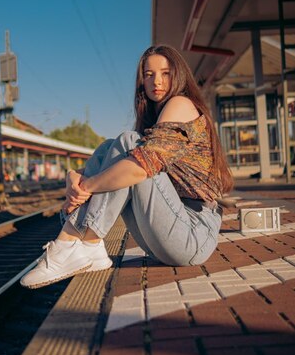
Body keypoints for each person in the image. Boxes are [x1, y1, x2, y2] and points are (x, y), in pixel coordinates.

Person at [20, 45, 233, 289]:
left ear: (179, 75)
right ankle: (81, 246)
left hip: (192, 235)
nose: (157, 81)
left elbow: (140, 169)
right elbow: (118, 166)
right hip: (165, 235)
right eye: (149, 74)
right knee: (109, 147)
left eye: (165, 73)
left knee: (129, 144)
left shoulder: (181, 103)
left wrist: (87, 186)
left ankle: (76, 242)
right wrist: (72, 177)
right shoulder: (153, 119)